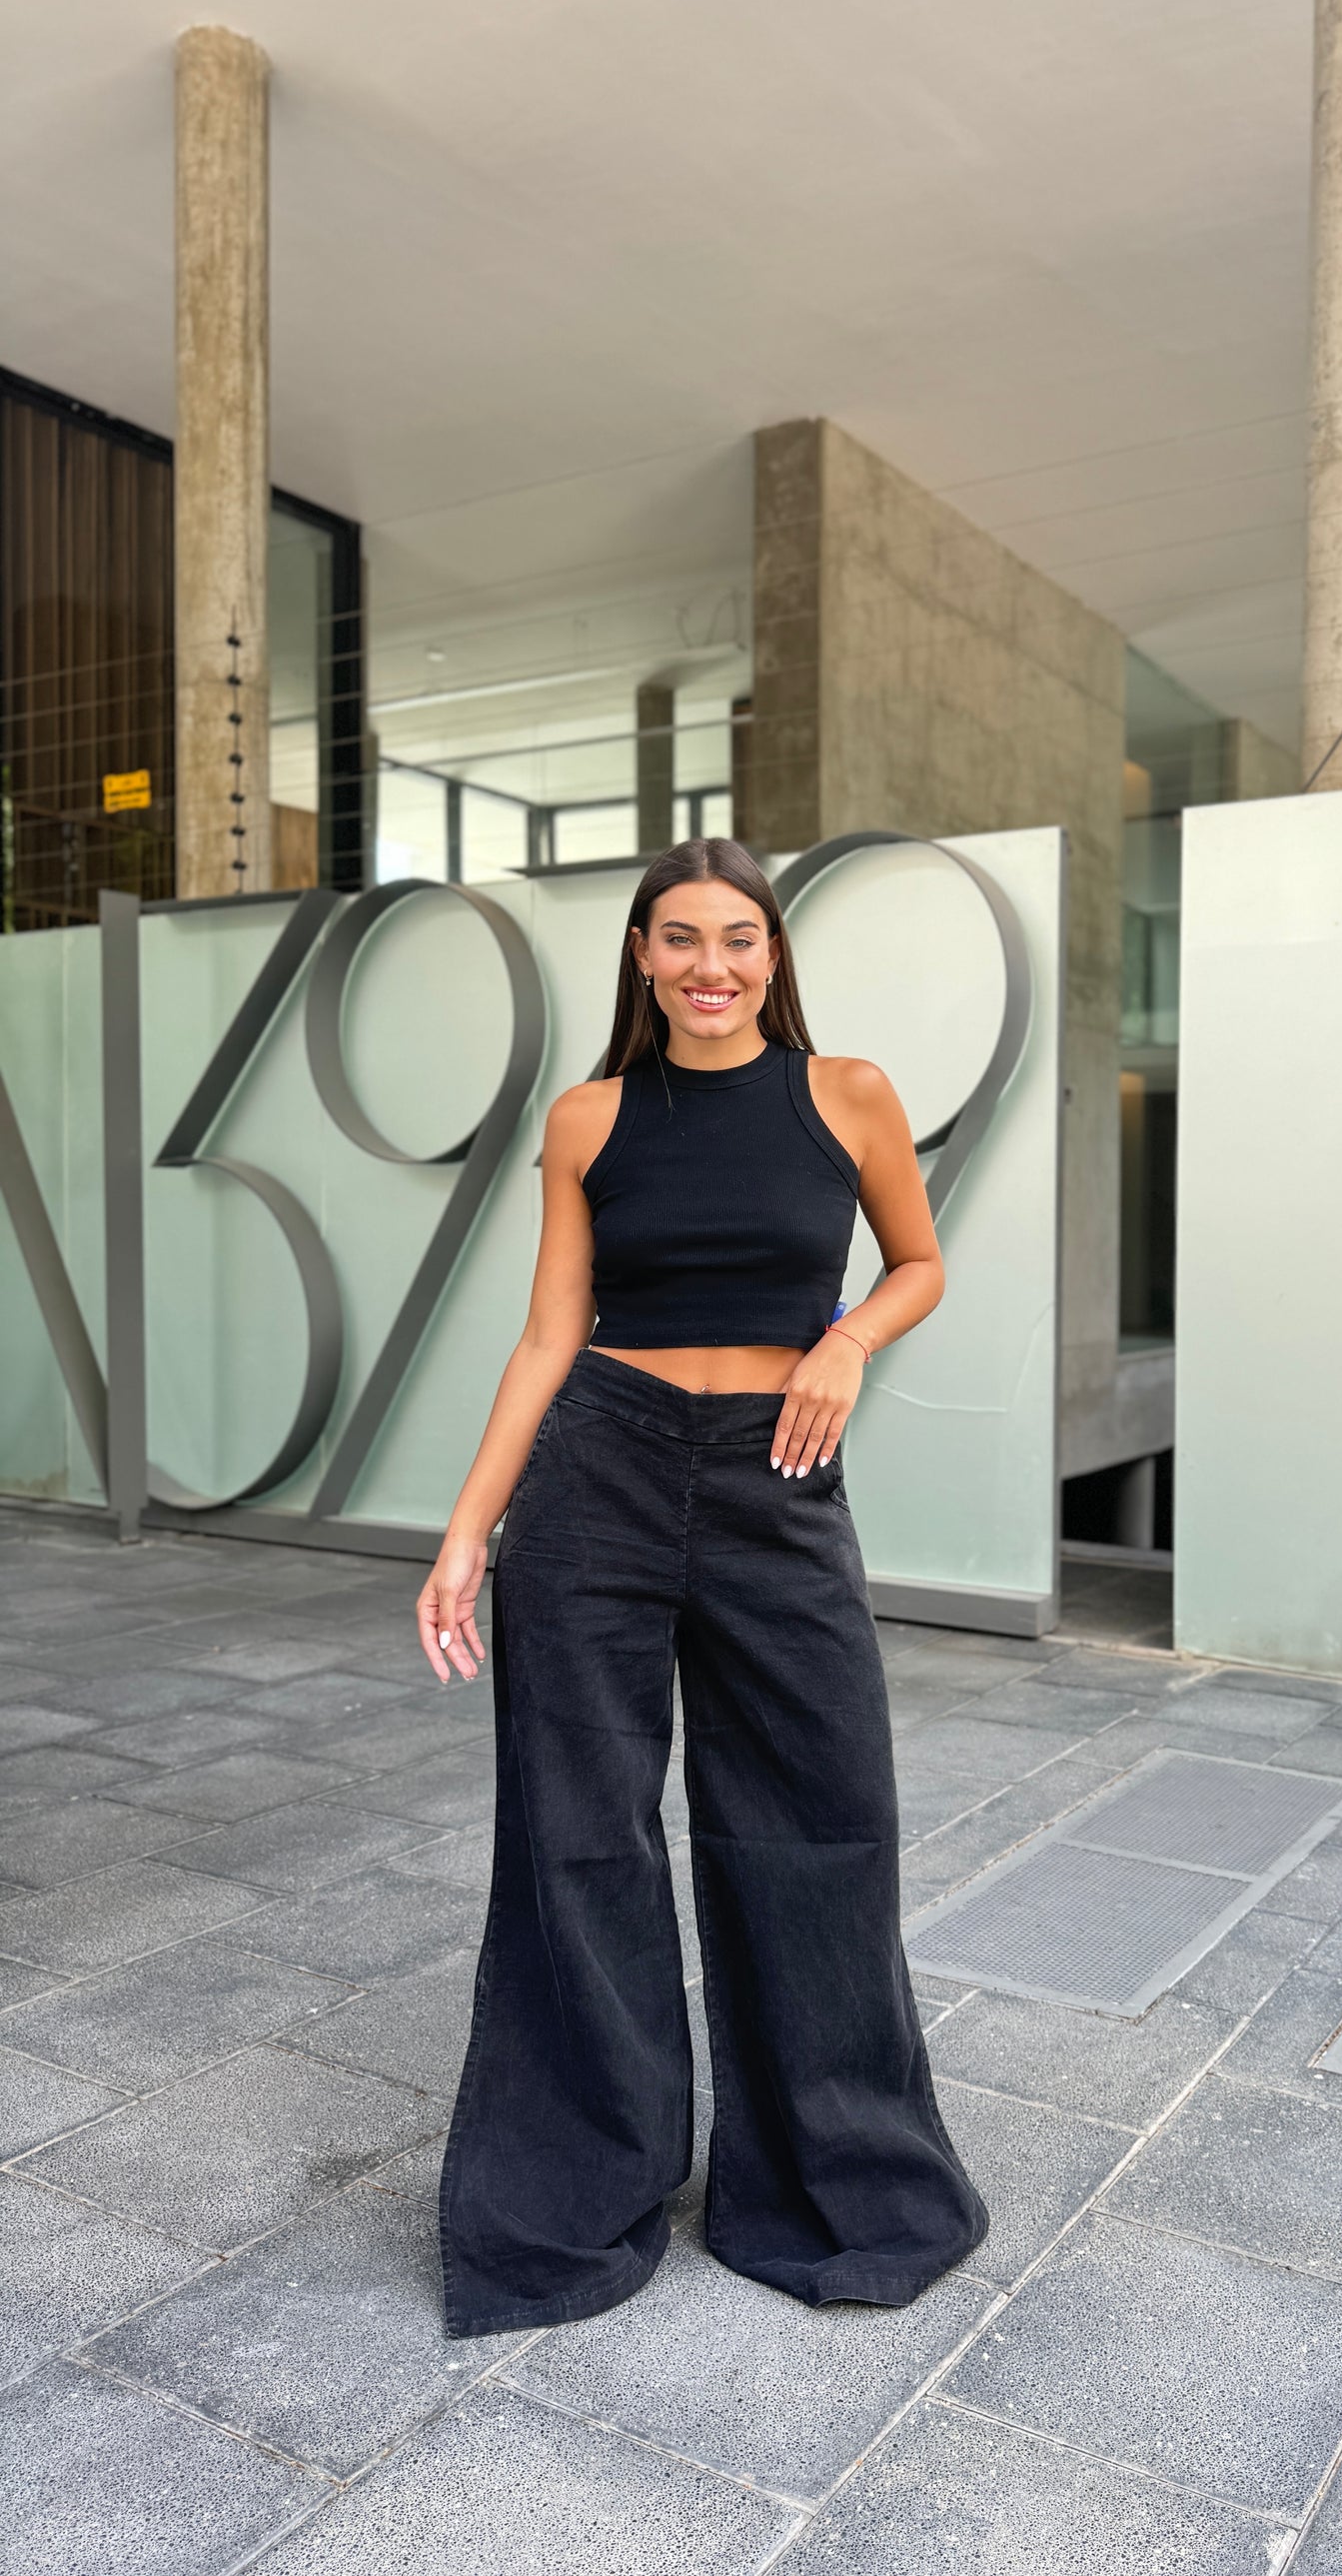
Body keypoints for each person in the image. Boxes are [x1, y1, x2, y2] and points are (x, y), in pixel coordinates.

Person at [418, 835, 987, 2337]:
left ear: (772, 954)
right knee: (577, 1834)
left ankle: (830, 2181)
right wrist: (469, 1529)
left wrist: (845, 1344)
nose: (711, 966)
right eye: (681, 939)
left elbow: (918, 1262)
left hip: (776, 1478)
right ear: (641, 956)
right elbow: (549, 1335)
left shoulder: (845, 1093)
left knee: (822, 1819)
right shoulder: (588, 1117)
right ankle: (577, 2190)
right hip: (597, 1472)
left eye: (738, 938)